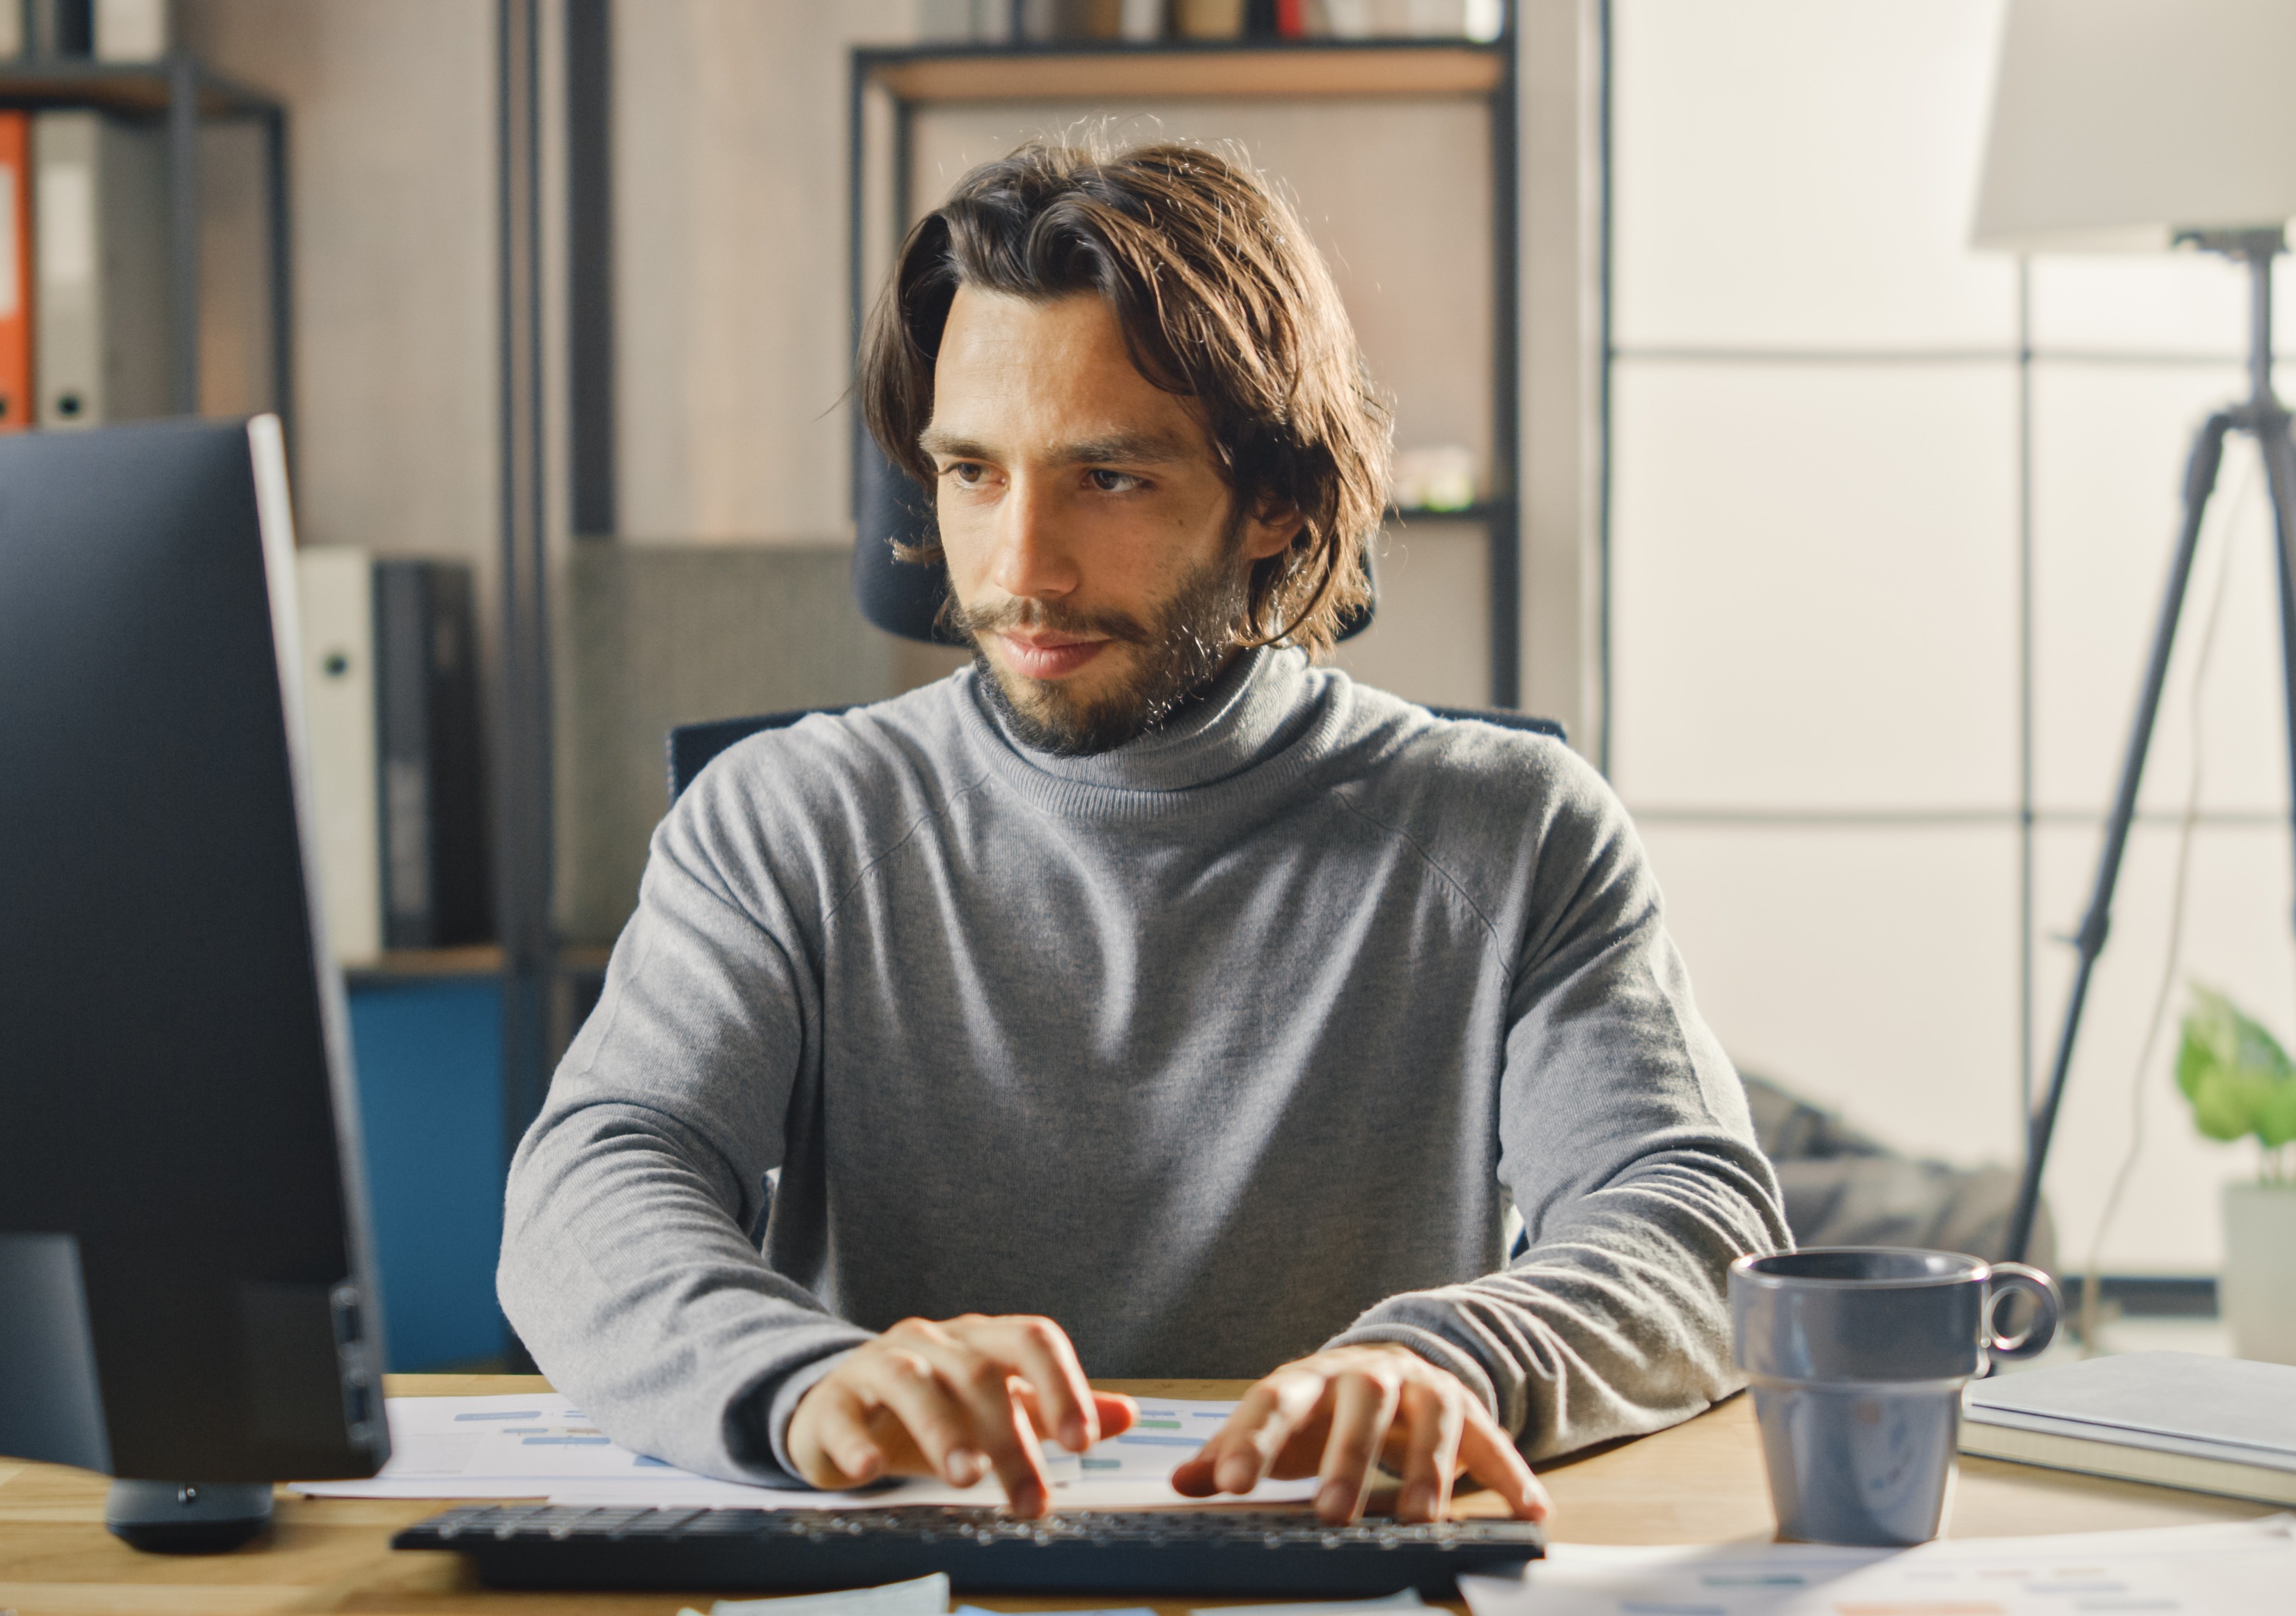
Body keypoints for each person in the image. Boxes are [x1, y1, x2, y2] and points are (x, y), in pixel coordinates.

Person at [499, 139, 1787, 1528]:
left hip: (1337, 1557)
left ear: (1275, 498)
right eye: (972, 474)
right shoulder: (785, 817)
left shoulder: (1508, 829)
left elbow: (1692, 1219)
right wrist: (803, 1381)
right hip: (908, 1564)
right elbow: (595, 1178)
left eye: (1107, 480)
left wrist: (1457, 1361)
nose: (1019, 571)